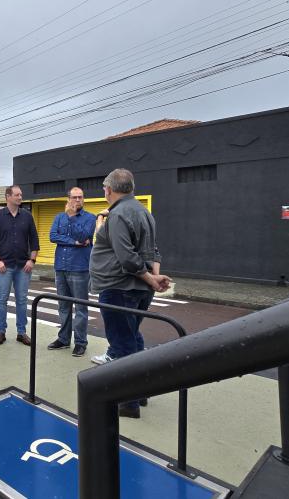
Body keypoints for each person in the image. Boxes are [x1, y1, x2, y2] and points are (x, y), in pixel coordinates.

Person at [89, 168, 171, 419]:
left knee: (122, 343)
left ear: (110, 189)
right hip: (139, 290)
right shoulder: (144, 212)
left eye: (104, 188)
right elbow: (153, 250)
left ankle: (129, 403)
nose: (104, 191)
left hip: (118, 287)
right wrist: (154, 277)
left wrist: (150, 279)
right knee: (133, 338)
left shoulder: (117, 215)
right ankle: (140, 392)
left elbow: (127, 258)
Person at [0, 185, 39, 346]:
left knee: (22, 300)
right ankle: (0, 331)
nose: (20, 197)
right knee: (2, 299)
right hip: (4, 266)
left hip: (23, 266)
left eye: (21, 194)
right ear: (8, 197)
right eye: (17, 195)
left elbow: (34, 240)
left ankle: (21, 332)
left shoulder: (27, 216)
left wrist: (32, 260)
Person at [48, 187, 96, 357]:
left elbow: (84, 236)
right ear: (68, 199)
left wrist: (73, 217)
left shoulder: (90, 218)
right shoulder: (59, 217)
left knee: (81, 307)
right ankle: (63, 339)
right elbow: (53, 236)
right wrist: (74, 242)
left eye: (80, 197)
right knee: (63, 306)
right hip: (60, 267)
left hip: (79, 268)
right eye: (74, 197)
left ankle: (81, 342)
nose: (77, 200)